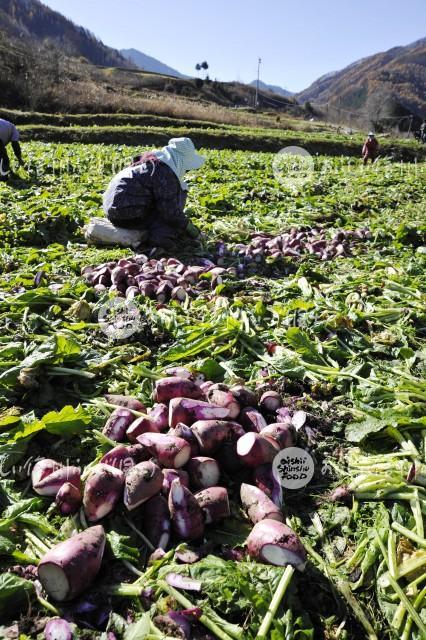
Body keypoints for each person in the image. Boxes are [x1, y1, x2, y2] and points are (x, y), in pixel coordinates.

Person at [103, 137, 205, 249]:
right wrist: (192, 231)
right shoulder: (164, 172)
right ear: (181, 160)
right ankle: (159, 241)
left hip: (112, 212)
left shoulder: (150, 162)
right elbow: (171, 213)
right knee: (168, 218)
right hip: (128, 215)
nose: (186, 171)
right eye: (187, 168)